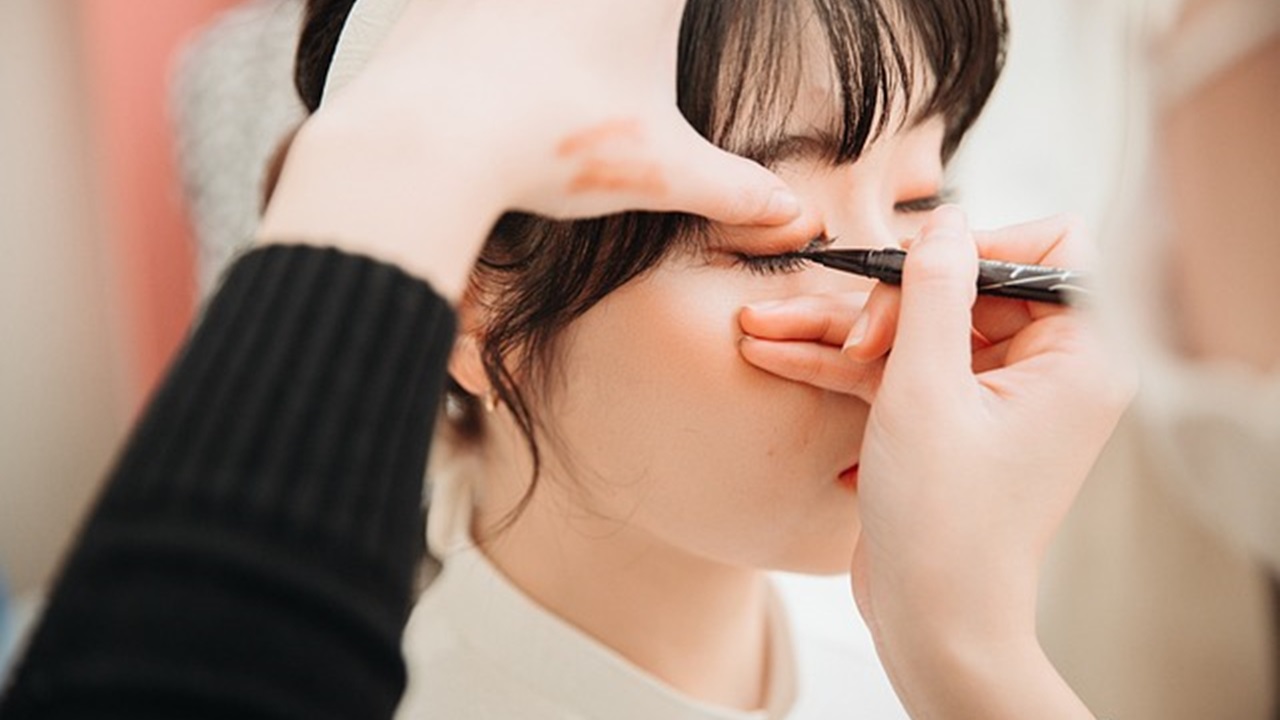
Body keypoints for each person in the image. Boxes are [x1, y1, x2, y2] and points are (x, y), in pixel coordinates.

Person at [0, 0, 1131, 718]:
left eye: (925, 202)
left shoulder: (923, 656)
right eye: (773, 243)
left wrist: (976, 661)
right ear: (463, 299)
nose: (906, 326)